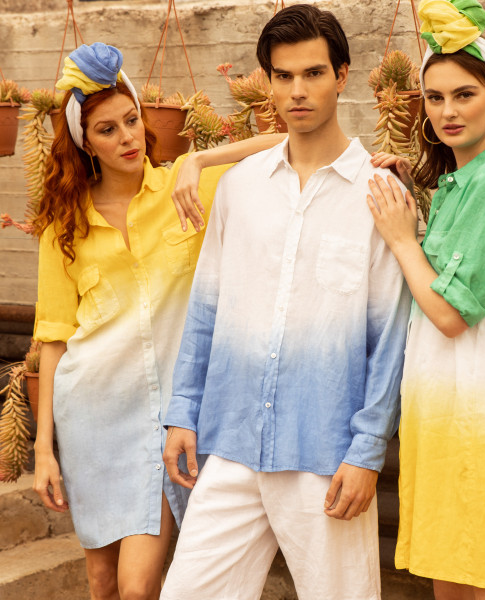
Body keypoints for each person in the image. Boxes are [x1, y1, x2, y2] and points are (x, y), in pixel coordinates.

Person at [160, 5, 412, 599]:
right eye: (283, 76)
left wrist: (368, 451)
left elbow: (391, 339)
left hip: (324, 453)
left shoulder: (381, 195)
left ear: (342, 76)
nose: (297, 90)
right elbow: (205, 309)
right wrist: (182, 411)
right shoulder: (239, 187)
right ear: (269, 82)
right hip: (231, 440)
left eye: (313, 73)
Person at [32, 42, 283, 600]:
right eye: (106, 129)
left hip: (171, 418)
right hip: (93, 417)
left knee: (138, 584)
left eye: (131, 120)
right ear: (85, 142)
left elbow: (287, 142)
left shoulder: (183, 188)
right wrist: (44, 449)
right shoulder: (64, 226)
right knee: (102, 582)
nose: (126, 137)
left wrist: (199, 160)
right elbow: (54, 340)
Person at [367, 1, 485, 598]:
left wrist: (401, 239)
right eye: (434, 97)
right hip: (447, 417)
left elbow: (449, 313)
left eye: (464, 94)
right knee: (452, 576)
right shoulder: (461, 181)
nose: (447, 111)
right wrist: (413, 204)